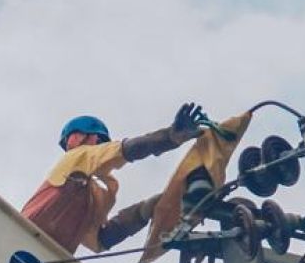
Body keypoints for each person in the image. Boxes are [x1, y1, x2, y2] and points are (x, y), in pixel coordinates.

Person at [21, 105, 206, 254]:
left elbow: (100, 239)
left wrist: (152, 207)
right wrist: (168, 137)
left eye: (72, 136)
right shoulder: (74, 161)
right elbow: (124, 150)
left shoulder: (95, 195)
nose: (70, 142)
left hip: (44, 258)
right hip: (20, 236)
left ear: (84, 137)